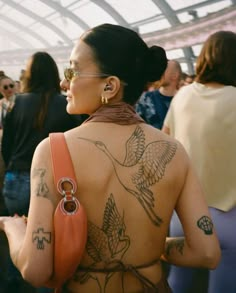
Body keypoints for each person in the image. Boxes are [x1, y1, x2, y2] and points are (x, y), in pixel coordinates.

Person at [0, 24, 220, 293]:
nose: (63, 82)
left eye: (72, 70)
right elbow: (206, 252)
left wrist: (13, 229)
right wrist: (147, 249)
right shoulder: (173, 150)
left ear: (110, 85)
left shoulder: (52, 151)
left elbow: (36, 270)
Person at [162, 30, 236, 293]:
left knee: (179, 284)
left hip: (184, 215)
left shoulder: (182, 97)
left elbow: (164, 145)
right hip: (230, 216)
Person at [1, 52, 79, 293]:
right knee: (47, 244)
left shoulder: (17, 102)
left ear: (30, 73)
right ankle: (46, 287)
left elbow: (7, 146)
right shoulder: (65, 105)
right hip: (52, 183)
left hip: (16, 179)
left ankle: (15, 283)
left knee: (18, 236)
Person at [135, 59, 182, 129]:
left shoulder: (184, 99)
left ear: (174, 76)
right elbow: (138, 126)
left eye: (163, 70)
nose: (159, 73)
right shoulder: (146, 98)